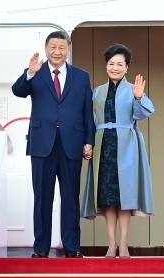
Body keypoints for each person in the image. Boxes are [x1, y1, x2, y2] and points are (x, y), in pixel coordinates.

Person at [12, 30, 95, 258]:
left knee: (70, 198)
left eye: (61, 48)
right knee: (42, 198)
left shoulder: (81, 76)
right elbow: (18, 91)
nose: (57, 52)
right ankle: (41, 248)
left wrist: (89, 140)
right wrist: (29, 73)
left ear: (68, 49)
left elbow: (87, 111)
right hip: (42, 144)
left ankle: (72, 247)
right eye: (53, 47)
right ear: (46, 48)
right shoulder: (35, 73)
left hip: (72, 143)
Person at [81, 43, 154, 258]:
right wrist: (88, 144)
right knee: (108, 198)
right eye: (111, 63)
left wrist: (139, 97)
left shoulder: (133, 89)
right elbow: (91, 121)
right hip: (104, 146)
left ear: (126, 68)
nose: (115, 67)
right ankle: (111, 244)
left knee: (125, 197)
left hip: (127, 147)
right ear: (106, 66)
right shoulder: (97, 92)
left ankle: (123, 244)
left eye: (120, 64)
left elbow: (143, 114)